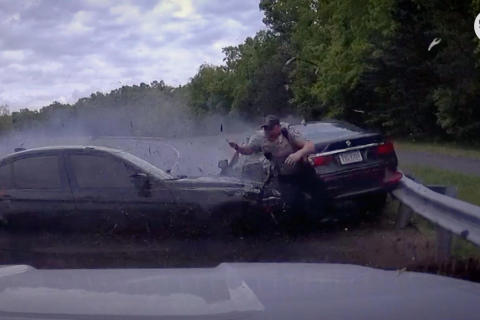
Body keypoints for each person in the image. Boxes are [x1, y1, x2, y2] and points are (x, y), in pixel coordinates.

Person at [227, 115, 325, 217]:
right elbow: (249, 149)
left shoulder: (287, 132)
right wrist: (237, 147)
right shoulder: (260, 138)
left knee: (319, 191)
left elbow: (310, 146)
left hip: (301, 170)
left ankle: (327, 216)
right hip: (283, 176)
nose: (267, 131)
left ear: (278, 126)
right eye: (265, 128)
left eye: (270, 128)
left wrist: (297, 154)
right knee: (293, 202)